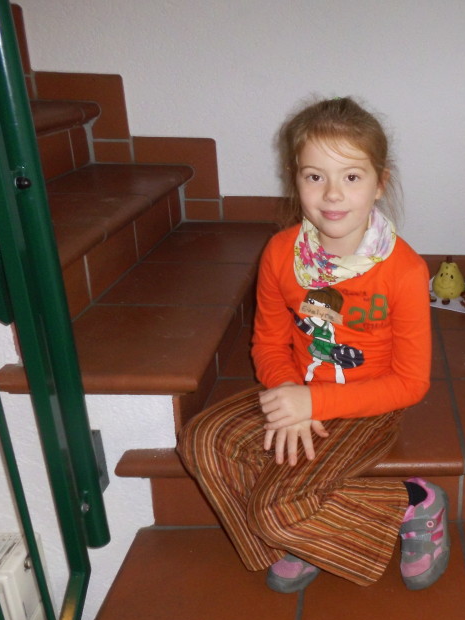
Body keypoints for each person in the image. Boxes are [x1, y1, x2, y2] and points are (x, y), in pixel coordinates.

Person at [177, 96, 447, 593]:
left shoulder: (404, 270)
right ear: (295, 180)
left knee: (275, 507)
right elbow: (267, 342)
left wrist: (314, 403)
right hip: (296, 391)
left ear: (379, 183)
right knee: (201, 439)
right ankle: (301, 539)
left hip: (367, 406)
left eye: (352, 176)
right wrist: (289, 396)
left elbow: (411, 383)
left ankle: (413, 503)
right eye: (315, 176)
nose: (332, 194)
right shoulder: (280, 252)